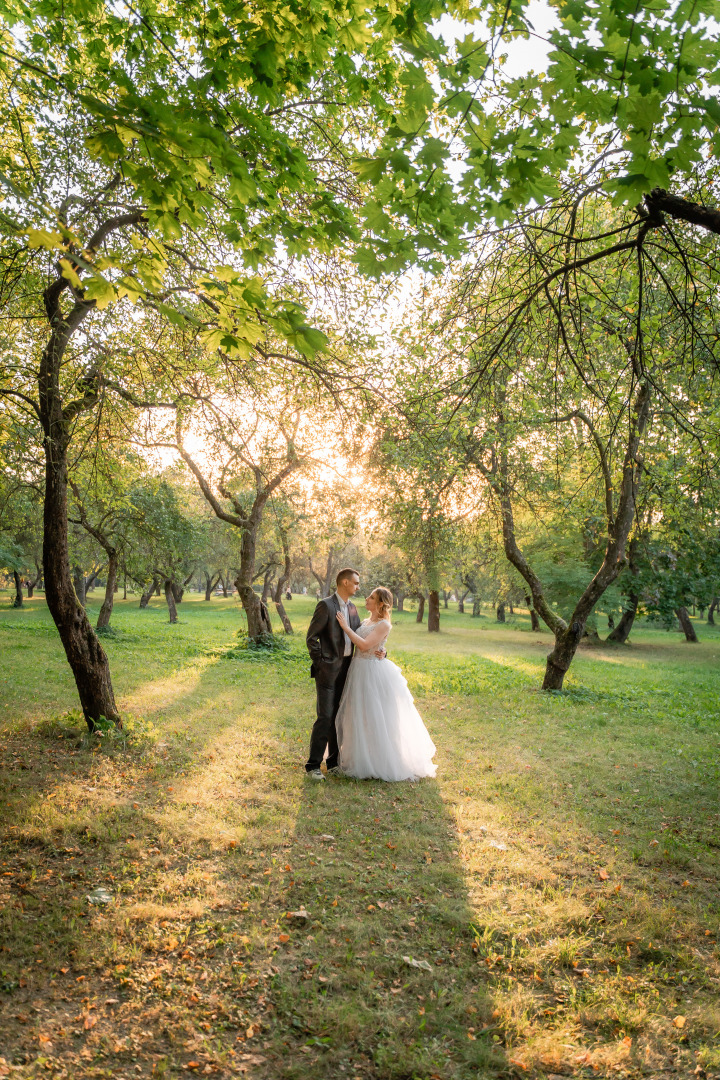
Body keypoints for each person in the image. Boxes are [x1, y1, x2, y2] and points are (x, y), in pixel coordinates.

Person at [335, 586, 437, 782]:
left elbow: (365, 645)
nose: (367, 598)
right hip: (358, 669)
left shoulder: (384, 624)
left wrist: (346, 628)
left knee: (376, 716)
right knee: (359, 714)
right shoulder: (366, 620)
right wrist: (383, 650)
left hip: (372, 673)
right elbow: (373, 645)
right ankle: (359, 757)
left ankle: (379, 761)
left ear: (380, 603)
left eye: (371, 597)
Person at [304, 568, 385, 781]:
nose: (358, 587)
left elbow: (363, 636)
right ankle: (313, 765)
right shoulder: (325, 605)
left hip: (349, 670)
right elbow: (311, 638)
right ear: (345, 583)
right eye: (356, 583)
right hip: (328, 670)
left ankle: (333, 763)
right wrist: (321, 663)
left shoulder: (353, 609)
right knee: (325, 716)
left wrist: (383, 650)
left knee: (339, 717)